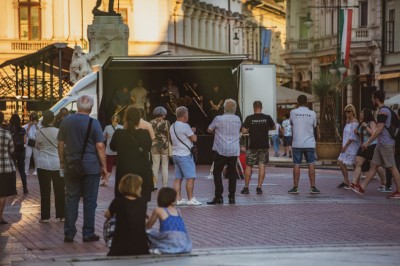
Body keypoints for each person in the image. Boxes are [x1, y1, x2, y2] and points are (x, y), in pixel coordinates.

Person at [57, 95, 107, 243]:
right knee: (90, 200)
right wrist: (104, 166)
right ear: (91, 108)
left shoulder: (66, 121)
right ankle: (87, 233)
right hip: (91, 166)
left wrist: (62, 161)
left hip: (71, 165)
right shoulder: (94, 123)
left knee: (71, 198)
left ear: (77, 106)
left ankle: (69, 233)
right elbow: (100, 145)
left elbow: (60, 144)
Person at [350, 90, 400, 199]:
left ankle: (399, 191)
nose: (372, 100)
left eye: (373, 98)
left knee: (392, 167)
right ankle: (362, 188)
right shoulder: (386, 110)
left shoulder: (382, 112)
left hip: (386, 144)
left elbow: (378, 130)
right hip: (381, 144)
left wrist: (367, 142)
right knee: (374, 166)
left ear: (377, 99)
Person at [110, 106, 153, 201]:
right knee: (140, 197)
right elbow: (148, 148)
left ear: (126, 118)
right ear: (138, 119)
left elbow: (112, 147)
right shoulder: (144, 133)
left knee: (123, 197)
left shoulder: (118, 133)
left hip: (124, 169)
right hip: (141, 169)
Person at [207, 99, 242, 204]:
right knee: (232, 174)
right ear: (235, 109)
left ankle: (219, 196)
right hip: (233, 150)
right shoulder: (237, 119)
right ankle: (232, 197)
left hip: (221, 149)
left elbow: (209, 129)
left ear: (224, 108)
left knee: (217, 172)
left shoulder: (218, 119)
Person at [105, 174, 149, 256]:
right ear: (137, 188)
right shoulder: (143, 202)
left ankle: (111, 242)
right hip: (141, 247)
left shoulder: (118, 201)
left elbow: (107, 215)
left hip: (120, 247)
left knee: (109, 221)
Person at [35, 110, 65, 223]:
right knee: (59, 190)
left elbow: (37, 146)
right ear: (53, 119)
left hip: (43, 163)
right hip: (57, 164)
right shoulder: (58, 131)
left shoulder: (39, 132)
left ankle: (45, 216)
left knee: (44, 191)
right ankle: (61, 215)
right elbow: (63, 146)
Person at [240, 101, 275, 195]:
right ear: (261, 107)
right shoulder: (267, 117)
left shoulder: (249, 118)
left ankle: (246, 188)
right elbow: (274, 127)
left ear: (253, 107)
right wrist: (266, 128)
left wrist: (249, 129)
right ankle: (259, 188)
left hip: (253, 146)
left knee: (249, 166)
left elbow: (243, 131)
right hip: (264, 145)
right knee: (262, 165)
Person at [288, 95, 320, 194]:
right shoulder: (312, 113)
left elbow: (292, 124)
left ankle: (295, 187)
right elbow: (315, 126)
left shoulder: (293, 112)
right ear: (307, 102)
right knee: (311, 164)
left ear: (298, 102)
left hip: (297, 143)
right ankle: (313, 187)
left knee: (297, 164)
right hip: (310, 143)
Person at [170, 106, 201, 206]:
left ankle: (178, 199)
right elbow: (194, 139)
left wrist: (190, 131)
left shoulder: (172, 126)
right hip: (185, 155)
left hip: (175, 154)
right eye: (187, 114)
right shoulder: (185, 126)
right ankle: (191, 199)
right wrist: (192, 132)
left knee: (178, 178)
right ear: (184, 115)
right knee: (190, 177)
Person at [147, 187, 192, 254]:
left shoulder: (158, 210)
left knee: (147, 231)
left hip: (169, 238)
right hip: (185, 243)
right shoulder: (178, 210)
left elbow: (148, 226)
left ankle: (160, 247)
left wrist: (147, 218)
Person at [351, 108, 386, 189]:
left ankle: (385, 182)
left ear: (366, 114)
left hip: (372, 145)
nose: (360, 114)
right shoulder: (361, 123)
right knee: (358, 163)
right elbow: (361, 135)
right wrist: (357, 132)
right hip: (363, 146)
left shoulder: (371, 122)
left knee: (376, 165)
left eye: (362, 112)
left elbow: (374, 133)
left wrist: (366, 127)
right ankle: (354, 183)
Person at [337, 104, 360, 189]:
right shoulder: (347, 121)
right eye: (345, 112)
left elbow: (353, 136)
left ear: (352, 112)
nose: (347, 113)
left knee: (355, 164)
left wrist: (346, 145)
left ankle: (356, 183)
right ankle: (346, 181)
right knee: (340, 162)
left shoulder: (355, 122)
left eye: (348, 111)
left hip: (351, 145)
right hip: (346, 145)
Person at [0, 111, 17, 225]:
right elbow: (12, 150)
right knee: (3, 193)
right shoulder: (6, 134)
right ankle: (0, 217)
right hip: (5, 167)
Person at [150, 107, 171, 189]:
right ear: (163, 114)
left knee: (155, 166)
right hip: (164, 145)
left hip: (154, 145)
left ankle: (154, 185)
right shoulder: (166, 122)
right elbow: (169, 135)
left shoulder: (150, 122)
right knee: (165, 166)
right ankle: (164, 186)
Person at [7, 114, 27, 194]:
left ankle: (13, 189)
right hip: (21, 151)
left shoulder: (8, 129)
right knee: (22, 170)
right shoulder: (22, 129)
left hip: (12, 151)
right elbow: (25, 141)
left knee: (13, 170)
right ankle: (25, 188)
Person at [101, 114, 123, 187]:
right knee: (120, 167)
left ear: (111, 119)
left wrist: (107, 137)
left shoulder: (107, 127)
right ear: (119, 120)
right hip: (119, 150)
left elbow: (103, 138)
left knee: (109, 167)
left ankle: (106, 181)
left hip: (109, 150)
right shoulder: (122, 128)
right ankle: (120, 182)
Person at [24, 112, 39, 176]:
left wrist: (36, 125)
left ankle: (36, 170)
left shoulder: (39, 125)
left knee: (36, 157)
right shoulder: (27, 125)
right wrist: (29, 126)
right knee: (27, 156)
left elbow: (40, 133)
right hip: (29, 142)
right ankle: (26, 170)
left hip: (36, 142)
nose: (33, 120)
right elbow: (25, 134)